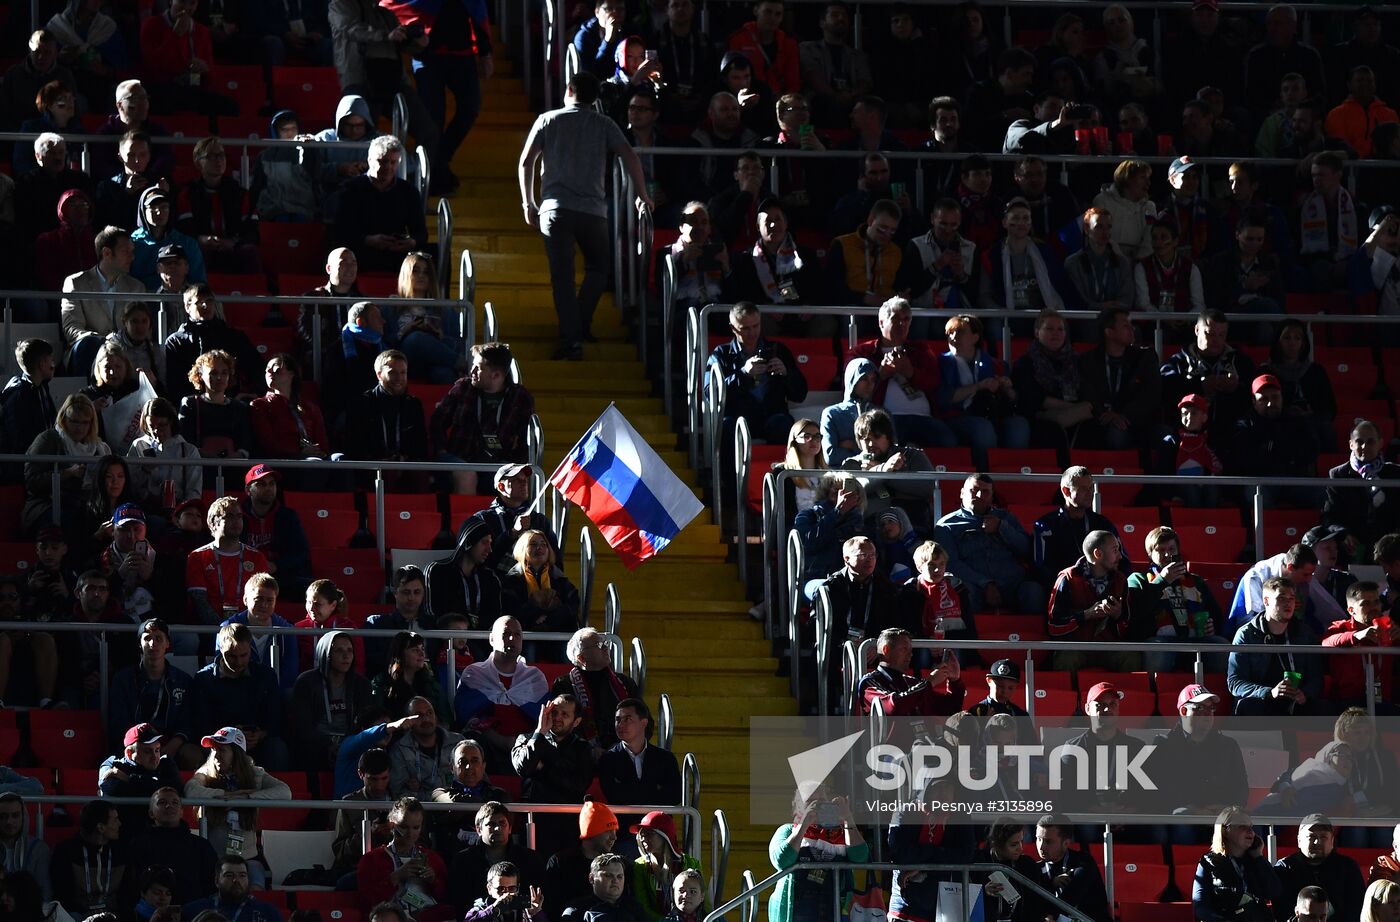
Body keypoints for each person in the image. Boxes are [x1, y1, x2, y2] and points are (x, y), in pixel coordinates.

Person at [518, 71, 652, 361]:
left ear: (569, 90)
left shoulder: (548, 119)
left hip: (555, 209)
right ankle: (581, 323)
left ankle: (572, 337)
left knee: (562, 278)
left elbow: (527, 161)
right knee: (599, 270)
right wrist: (642, 194)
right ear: (595, 99)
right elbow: (630, 155)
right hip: (593, 211)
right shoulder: (603, 124)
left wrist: (528, 202)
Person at [184, 726, 291, 888]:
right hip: (215, 859)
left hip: (247, 858)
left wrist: (247, 797)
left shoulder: (256, 774)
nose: (216, 756)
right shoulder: (205, 773)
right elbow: (190, 791)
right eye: (214, 750)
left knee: (256, 888)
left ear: (237, 753)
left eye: (222, 750)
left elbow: (285, 792)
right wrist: (225, 795)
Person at [430, 343, 535, 493]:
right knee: (467, 475)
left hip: (496, 461)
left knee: (512, 479)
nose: (471, 371)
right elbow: (438, 421)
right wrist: (441, 450)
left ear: (496, 375)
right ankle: (467, 517)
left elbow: (527, 440)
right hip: (459, 457)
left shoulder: (520, 397)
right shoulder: (463, 387)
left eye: (478, 368)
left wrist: (513, 464)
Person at [934, 473, 1044, 615]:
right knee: (962, 593)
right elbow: (951, 563)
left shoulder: (1006, 518)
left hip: (1011, 583)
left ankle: (1037, 636)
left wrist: (1001, 527)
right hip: (974, 585)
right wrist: (985, 583)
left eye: (985, 492)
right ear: (962, 493)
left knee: (1033, 591)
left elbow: (1026, 551)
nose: (979, 495)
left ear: (992, 496)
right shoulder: (946, 525)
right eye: (974, 490)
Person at [704, 302, 807, 447]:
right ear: (733, 328)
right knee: (727, 427)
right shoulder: (721, 354)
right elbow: (711, 394)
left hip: (772, 414)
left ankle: (781, 470)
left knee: (782, 423)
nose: (752, 333)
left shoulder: (778, 350)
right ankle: (728, 471)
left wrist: (786, 373)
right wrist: (743, 373)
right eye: (745, 328)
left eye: (756, 326)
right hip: (737, 416)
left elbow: (800, 394)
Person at [1128, 526, 1229, 674]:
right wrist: (1162, 580)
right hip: (1160, 640)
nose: (1168, 554)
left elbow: (1216, 615)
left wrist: (1211, 626)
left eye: (1171, 549)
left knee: (1222, 645)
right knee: (1160, 651)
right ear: (1150, 555)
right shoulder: (1139, 579)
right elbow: (1136, 612)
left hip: (1195, 640)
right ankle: (1155, 694)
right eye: (1160, 550)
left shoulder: (1196, 581)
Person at [936, 314, 1030, 470]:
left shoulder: (997, 365)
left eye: (959, 332)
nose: (953, 337)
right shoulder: (941, 363)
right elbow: (944, 399)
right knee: (983, 428)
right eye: (950, 333)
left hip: (994, 414)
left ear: (975, 337)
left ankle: (1013, 481)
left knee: (1019, 425)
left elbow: (1014, 401)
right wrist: (979, 386)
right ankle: (985, 479)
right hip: (957, 417)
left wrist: (1007, 388)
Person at [191, 623, 287, 769]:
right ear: (220, 650)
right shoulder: (203, 679)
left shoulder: (266, 676)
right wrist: (229, 737)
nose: (238, 662)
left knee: (276, 748)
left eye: (244, 655)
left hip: (256, 742)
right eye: (232, 656)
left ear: (250, 649)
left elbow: (275, 717)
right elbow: (201, 724)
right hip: (219, 742)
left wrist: (260, 734)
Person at [767, 785, 867, 922]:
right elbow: (781, 861)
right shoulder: (788, 830)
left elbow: (860, 858)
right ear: (797, 808)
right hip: (796, 910)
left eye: (822, 802)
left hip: (833, 908)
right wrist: (804, 824)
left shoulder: (842, 833)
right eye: (811, 802)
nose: (817, 807)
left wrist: (847, 818)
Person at [1228, 577, 1325, 716]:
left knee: (1324, 707)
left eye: (1291, 598)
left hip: (1295, 701)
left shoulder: (1305, 633)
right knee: (1248, 706)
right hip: (1262, 700)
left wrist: (1305, 693)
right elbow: (1235, 682)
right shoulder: (1246, 634)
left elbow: (1316, 678)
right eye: (1282, 598)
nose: (1288, 603)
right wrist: (1269, 692)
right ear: (1266, 601)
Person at [59, 225, 146, 376]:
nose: (132, 257)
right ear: (107, 253)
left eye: (132, 252)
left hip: (126, 352)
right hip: (91, 350)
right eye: (126, 252)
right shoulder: (76, 283)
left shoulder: (136, 287)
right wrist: (102, 341)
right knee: (88, 345)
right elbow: (71, 328)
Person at [1046, 530, 1138, 674]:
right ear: (1098, 554)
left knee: (1131, 657)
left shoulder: (1121, 580)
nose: (1120, 556)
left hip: (1108, 646)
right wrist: (1086, 615)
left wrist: (1118, 615)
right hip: (1076, 646)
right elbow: (1054, 627)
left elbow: (1128, 629)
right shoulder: (1068, 578)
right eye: (1115, 550)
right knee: (1066, 659)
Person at [334, 135, 429, 272]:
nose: (388, 167)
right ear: (369, 160)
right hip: (359, 254)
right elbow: (340, 231)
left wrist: (411, 242)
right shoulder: (350, 189)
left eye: (393, 162)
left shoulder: (408, 191)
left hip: (397, 255)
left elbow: (421, 233)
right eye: (383, 162)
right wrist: (367, 240)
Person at [22, 393, 111, 537]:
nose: (79, 428)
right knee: (72, 522)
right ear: (64, 419)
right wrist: (68, 473)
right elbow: (32, 481)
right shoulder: (49, 439)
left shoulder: (98, 447)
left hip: (85, 504)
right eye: (74, 421)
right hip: (46, 505)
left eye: (85, 422)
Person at [355, 796, 453, 919]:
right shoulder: (372, 860)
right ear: (391, 824)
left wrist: (434, 881)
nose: (410, 833)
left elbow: (447, 897)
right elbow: (365, 903)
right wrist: (394, 878)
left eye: (416, 827)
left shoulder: (432, 858)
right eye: (404, 827)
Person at [292, 629, 374, 771]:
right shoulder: (306, 682)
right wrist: (328, 745)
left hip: (350, 741)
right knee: (307, 751)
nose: (346, 655)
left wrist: (347, 744)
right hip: (317, 743)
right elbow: (304, 727)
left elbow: (364, 723)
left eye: (350, 650)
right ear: (326, 654)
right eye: (339, 651)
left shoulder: (362, 684)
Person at [162, 286, 258, 404]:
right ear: (187, 307)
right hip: (194, 407)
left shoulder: (233, 336)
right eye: (199, 302)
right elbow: (175, 384)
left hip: (230, 405)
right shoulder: (176, 342)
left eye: (209, 301)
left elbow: (255, 367)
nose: (205, 306)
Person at [127, 788, 219, 907]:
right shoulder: (138, 845)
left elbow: (212, 885)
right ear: (151, 813)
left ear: (181, 812)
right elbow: (132, 886)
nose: (169, 806)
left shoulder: (201, 846)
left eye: (174, 802)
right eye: (162, 802)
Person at [446, 802, 545, 912]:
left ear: (510, 828)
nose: (497, 828)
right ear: (478, 829)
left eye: (502, 823)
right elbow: (458, 902)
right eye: (491, 824)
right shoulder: (463, 861)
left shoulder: (530, 859)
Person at [1324, 421, 1400, 561]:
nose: (1364, 446)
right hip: (1352, 548)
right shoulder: (1337, 475)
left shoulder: (1395, 474)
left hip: (1390, 547)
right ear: (1351, 444)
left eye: (1370, 441)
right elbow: (1330, 517)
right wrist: (1344, 535)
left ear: (1380, 443)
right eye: (1359, 441)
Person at [552, 628, 639, 749]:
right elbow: (559, 725)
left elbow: (644, 720)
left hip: (623, 752)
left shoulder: (625, 683)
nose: (605, 648)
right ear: (581, 658)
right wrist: (588, 749)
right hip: (579, 756)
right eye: (598, 645)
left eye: (604, 643)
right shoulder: (564, 685)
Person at [1192, 807, 1280, 922]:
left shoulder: (1256, 861)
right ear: (1225, 830)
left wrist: (1258, 857)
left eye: (1251, 827)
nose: (1251, 832)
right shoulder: (1208, 862)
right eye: (1242, 827)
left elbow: (1274, 892)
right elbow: (1201, 907)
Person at [856, 627, 966, 718]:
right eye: (904, 649)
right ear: (886, 650)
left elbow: (950, 709)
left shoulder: (911, 682)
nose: (910, 655)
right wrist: (929, 683)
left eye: (911, 650)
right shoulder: (869, 682)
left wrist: (954, 681)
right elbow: (894, 707)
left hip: (924, 742)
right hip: (891, 745)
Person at [97, 721, 183, 836]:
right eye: (147, 751)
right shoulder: (113, 764)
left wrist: (128, 779)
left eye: (157, 750)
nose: (154, 757)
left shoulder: (166, 763)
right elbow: (112, 789)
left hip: (162, 835)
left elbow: (176, 790)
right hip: (125, 835)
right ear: (129, 753)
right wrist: (154, 788)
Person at [1274, 815, 1365, 922]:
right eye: (1311, 837)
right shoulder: (1285, 868)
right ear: (1299, 840)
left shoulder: (1348, 867)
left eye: (1323, 837)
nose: (1317, 842)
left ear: (1332, 841)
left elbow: (1356, 909)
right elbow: (1282, 912)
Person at [1321, 583, 1397, 711]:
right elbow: (1326, 642)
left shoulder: (1389, 628)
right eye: (1366, 603)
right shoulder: (1340, 627)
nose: (1374, 607)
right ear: (1351, 610)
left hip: (1383, 702)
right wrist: (1357, 636)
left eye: (1376, 602)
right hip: (1348, 705)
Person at [597, 698, 682, 811]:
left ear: (644, 723)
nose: (620, 724)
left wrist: (632, 793)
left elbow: (674, 796)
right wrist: (652, 792)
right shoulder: (608, 759)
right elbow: (614, 797)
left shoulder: (665, 758)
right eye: (618, 719)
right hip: (622, 826)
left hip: (656, 825)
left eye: (627, 719)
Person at [49, 799, 127, 916]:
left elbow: (127, 894)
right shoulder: (66, 852)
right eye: (115, 820)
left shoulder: (121, 852)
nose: (119, 823)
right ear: (100, 827)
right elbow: (62, 894)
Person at [503, 530, 580, 647]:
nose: (539, 548)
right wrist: (536, 615)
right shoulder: (512, 580)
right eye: (533, 544)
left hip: (557, 634)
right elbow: (512, 610)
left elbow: (572, 606)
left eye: (543, 544)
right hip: (525, 636)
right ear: (522, 549)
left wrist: (548, 619)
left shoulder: (559, 578)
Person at [428, 741, 507, 853]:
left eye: (475, 761)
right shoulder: (440, 794)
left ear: (483, 766)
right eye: (462, 762)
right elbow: (452, 802)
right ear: (452, 767)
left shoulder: (499, 795)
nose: (469, 766)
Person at [176, 347, 253, 461]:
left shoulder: (239, 407)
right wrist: (205, 455)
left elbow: (246, 443)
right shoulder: (190, 404)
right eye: (213, 373)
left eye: (224, 372)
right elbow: (184, 440)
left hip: (233, 469)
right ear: (200, 375)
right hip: (200, 468)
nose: (219, 377)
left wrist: (236, 456)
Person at [425, 518, 502, 629]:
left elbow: (493, 616)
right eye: (484, 542)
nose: (489, 549)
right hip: (446, 640)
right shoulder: (437, 571)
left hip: (480, 641)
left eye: (490, 543)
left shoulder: (490, 578)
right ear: (468, 542)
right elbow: (433, 615)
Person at [1035, 817, 1111, 922]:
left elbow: (1069, 899)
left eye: (1048, 841)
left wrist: (1049, 914)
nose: (1041, 847)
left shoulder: (1084, 862)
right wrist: (1051, 883)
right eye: (1038, 839)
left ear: (1066, 843)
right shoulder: (1035, 868)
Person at [387, 696, 461, 801]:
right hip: (421, 811)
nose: (426, 719)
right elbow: (398, 793)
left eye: (430, 713)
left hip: (458, 806)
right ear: (409, 721)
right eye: (419, 715)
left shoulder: (457, 742)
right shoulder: (399, 750)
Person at [2, 338, 59, 471]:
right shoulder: (18, 396)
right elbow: (19, 440)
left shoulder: (41, 388)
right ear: (42, 364)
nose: (53, 365)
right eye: (51, 360)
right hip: (28, 466)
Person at [365, 566, 432, 677]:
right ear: (395, 592)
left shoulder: (432, 624)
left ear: (424, 593)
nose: (411, 597)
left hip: (426, 685)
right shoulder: (376, 625)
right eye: (406, 592)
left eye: (417, 592)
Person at [1066, 208, 1136, 312]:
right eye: (1099, 227)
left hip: (1114, 320)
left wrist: (1114, 307)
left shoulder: (1122, 263)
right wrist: (1100, 307)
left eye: (1109, 227)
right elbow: (1077, 300)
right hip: (1085, 321)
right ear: (1086, 229)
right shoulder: (1073, 263)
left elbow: (1127, 299)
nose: (1105, 232)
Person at [727, 0, 800, 96]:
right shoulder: (738, 40)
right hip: (746, 97)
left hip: (779, 99)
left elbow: (793, 83)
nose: (772, 18)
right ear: (756, 11)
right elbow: (732, 78)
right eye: (768, 12)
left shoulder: (789, 44)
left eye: (778, 14)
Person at [372, 632, 449, 723]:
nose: (422, 654)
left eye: (422, 649)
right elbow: (378, 720)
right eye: (415, 650)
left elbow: (446, 719)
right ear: (400, 654)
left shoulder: (430, 683)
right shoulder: (382, 683)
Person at [181, 855, 282, 922]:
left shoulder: (267, 912)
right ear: (217, 881)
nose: (236, 880)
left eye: (242, 875)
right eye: (229, 875)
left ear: (248, 880)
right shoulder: (193, 910)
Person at [1092, 160, 1156, 261]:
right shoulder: (1102, 201)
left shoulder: (1149, 207)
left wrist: (1139, 261)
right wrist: (1121, 260)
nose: (1148, 183)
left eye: (1148, 178)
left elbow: (1149, 241)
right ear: (1127, 179)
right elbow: (1099, 236)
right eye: (1143, 178)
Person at [0, 792, 52, 900]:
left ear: (23, 817)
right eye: (3, 816)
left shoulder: (39, 849)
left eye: (15, 815)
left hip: (29, 912)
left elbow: (45, 894)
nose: (9, 821)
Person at [462, 860, 547, 922]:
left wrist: (536, 915)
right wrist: (492, 910)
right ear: (489, 888)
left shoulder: (526, 910)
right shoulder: (479, 909)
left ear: (518, 888)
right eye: (501, 889)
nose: (506, 894)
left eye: (512, 888)